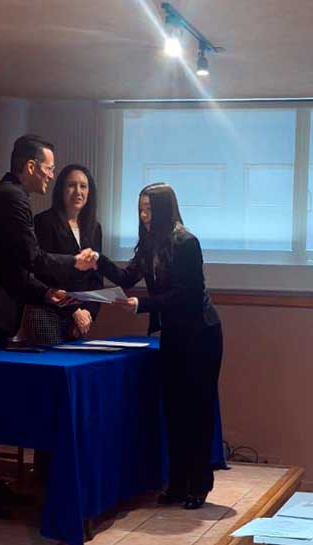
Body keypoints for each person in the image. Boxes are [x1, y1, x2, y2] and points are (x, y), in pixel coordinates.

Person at [0, 134, 99, 518]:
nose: (51, 175)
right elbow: (32, 258)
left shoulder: (7, 196)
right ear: (30, 167)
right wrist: (73, 263)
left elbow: (13, 268)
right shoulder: (12, 199)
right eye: (49, 168)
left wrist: (47, 294)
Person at [98, 182, 222, 510]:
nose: (143, 215)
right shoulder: (150, 244)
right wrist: (97, 260)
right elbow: (126, 278)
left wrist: (143, 305)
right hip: (174, 333)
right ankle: (178, 483)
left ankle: (199, 484)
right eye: (141, 209)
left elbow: (186, 295)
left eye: (149, 209)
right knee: (174, 410)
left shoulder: (186, 242)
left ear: (165, 209)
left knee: (196, 410)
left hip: (200, 334)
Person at [26, 164, 104, 344]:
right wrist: (73, 310)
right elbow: (43, 272)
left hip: (81, 318)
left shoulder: (94, 228)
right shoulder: (44, 222)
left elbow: (96, 277)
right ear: (61, 189)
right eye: (71, 185)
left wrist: (88, 312)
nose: (78, 191)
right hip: (48, 313)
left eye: (83, 186)